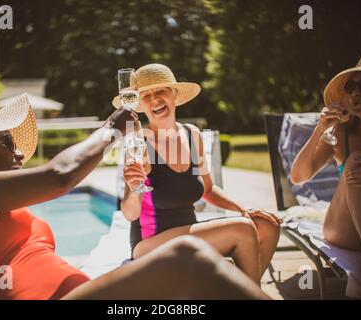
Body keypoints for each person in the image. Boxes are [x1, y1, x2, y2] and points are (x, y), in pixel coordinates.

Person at [0, 93, 268, 300]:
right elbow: (60, 176)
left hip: (83, 291)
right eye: (8, 143)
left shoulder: (0, 205)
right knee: (187, 255)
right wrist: (111, 128)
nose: (21, 151)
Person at [115, 64, 281, 284]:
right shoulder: (140, 143)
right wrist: (134, 187)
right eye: (146, 95)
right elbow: (130, 213)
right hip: (150, 243)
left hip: (191, 233)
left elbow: (208, 190)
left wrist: (243, 210)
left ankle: (241, 292)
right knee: (241, 229)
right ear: (139, 104)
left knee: (268, 225)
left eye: (161, 91)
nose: (154, 100)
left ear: (174, 94)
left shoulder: (192, 135)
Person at [290, 52, 361, 298]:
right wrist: (321, 128)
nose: (354, 93)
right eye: (350, 87)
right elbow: (298, 176)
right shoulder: (341, 134)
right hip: (346, 229)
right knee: (357, 161)